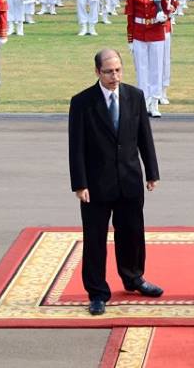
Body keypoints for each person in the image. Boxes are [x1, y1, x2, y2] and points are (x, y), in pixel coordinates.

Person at [68, 49, 162, 316]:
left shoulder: (135, 96)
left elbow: (144, 136)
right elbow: (76, 146)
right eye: (109, 72)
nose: (115, 76)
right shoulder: (82, 102)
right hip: (96, 184)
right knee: (95, 239)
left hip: (129, 180)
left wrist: (152, 172)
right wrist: (79, 184)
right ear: (97, 72)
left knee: (132, 233)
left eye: (118, 70)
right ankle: (97, 292)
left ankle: (134, 278)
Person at [125, 0, 172, 117]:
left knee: (156, 69)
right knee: (141, 69)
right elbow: (130, 16)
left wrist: (165, 15)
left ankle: (155, 102)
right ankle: (143, 101)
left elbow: (170, 6)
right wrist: (130, 39)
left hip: (156, 31)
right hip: (139, 33)